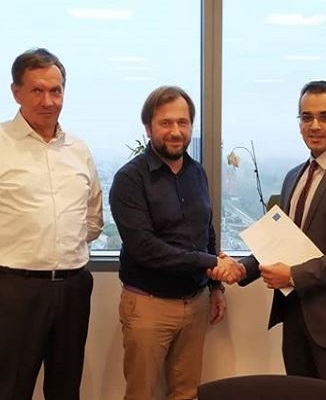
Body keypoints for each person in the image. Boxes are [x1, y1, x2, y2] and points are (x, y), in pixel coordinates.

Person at [0, 48, 103, 400]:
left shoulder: (79, 150)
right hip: (15, 290)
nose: (48, 101)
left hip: (74, 289)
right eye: (37, 90)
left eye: (56, 90)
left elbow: (93, 220)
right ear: (16, 92)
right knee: (9, 389)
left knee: (66, 390)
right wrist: (7, 248)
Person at [212, 80, 326, 400]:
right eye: (307, 117)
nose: (314, 125)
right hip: (294, 316)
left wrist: (293, 275)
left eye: (324, 116)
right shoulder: (294, 176)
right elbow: (281, 241)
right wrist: (243, 268)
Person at [109, 85, 243, 400]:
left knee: (186, 394)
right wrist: (212, 264)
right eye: (166, 123)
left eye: (183, 122)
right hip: (148, 305)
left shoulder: (197, 173)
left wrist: (215, 287)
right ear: (148, 127)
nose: (175, 131)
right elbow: (145, 248)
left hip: (195, 303)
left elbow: (206, 232)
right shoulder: (130, 179)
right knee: (141, 395)